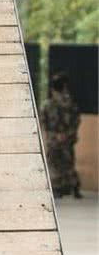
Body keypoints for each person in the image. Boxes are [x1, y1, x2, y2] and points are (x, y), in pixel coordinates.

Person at [40, 71, 82, 200]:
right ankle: (68, 187)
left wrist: (57, 134)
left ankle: (62, 187)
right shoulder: (66, 103)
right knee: (64, 162)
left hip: (58, 138)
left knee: (59, 163)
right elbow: (76, 120)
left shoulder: (51, 104)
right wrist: (64, 134)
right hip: (62, 138)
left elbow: (44, 121)